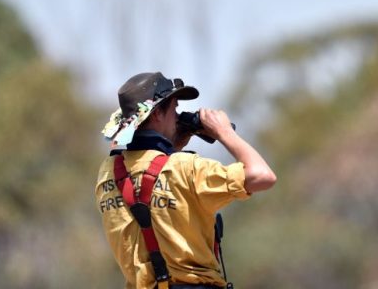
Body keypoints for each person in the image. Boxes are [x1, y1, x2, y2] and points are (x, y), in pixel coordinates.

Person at [96, 72, 276, 289]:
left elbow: (147, 181)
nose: (178, 116)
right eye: (174, 109)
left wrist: (171, 145)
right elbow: (262, 176)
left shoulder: (108, 172)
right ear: (156, 115)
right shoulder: (186, 168)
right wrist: (225, 133)